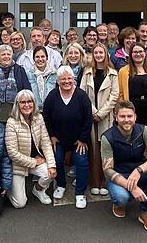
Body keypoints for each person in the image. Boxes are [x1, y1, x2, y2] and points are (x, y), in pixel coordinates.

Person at [103, 101, 147, 233]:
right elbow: (108, 170)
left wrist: (139, 170)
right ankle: (119, 203)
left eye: (129, 116)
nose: (126, 120)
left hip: (138, 172)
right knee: (121, 198)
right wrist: (132, 187)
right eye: (122, 116)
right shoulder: (107, 137)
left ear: (135, 117)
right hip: (119, 176)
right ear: (116, 117)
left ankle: (145, 212)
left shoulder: (144, 130)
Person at [43, 66, 93, 209]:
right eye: (63, 79)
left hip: (79, 139)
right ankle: (61, 184)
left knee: (81, 160)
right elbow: (46, 117)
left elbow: (88, 119)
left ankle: (80, 193)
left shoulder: (82, 96)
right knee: (56, 159)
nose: (66, 81)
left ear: (73, 79)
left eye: (69, 78)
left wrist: (83, 139)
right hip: (58, 138)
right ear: (58, 81)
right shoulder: (52, 96)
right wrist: (51, 135)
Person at [80, 42, 119, 196]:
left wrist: (101, 113)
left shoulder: (113, 73)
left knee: (105, 149)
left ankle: (105, 182)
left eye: (101, 53)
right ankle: (95, 182)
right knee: (93, 151)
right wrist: (93, 111)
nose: (98, 55)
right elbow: (82, 93)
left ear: (106, 54)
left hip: (106, 117)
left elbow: (114, 95)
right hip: (90, 116)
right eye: (96, 53)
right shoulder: (87, 72)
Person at [5, 90, 57, 207]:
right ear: (17, 104)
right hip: (18, 165)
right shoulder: (11, 122)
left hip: (35, 161)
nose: (27, 105)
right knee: (19, 203)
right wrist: (34, 162)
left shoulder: (38, 118)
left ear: (34, 103)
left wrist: (51, 165)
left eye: (30, 101)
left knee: (51, 173)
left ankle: (38, 190)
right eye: (23, 102)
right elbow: (12, 153)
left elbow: (45, 143)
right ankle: (8, 189)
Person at [0, 44, 32, 122]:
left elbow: (27, 91)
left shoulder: (20, 70)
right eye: (3, 54)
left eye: (8, 54)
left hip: (16, 112)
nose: (6, 56)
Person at [118, 44, 147, 128]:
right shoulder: (123, 71)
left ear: (145, 53)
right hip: (131, 108)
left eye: (140, 52)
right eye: (135, 52)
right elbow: (120, 93)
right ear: (131, 54)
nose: (138, 54)